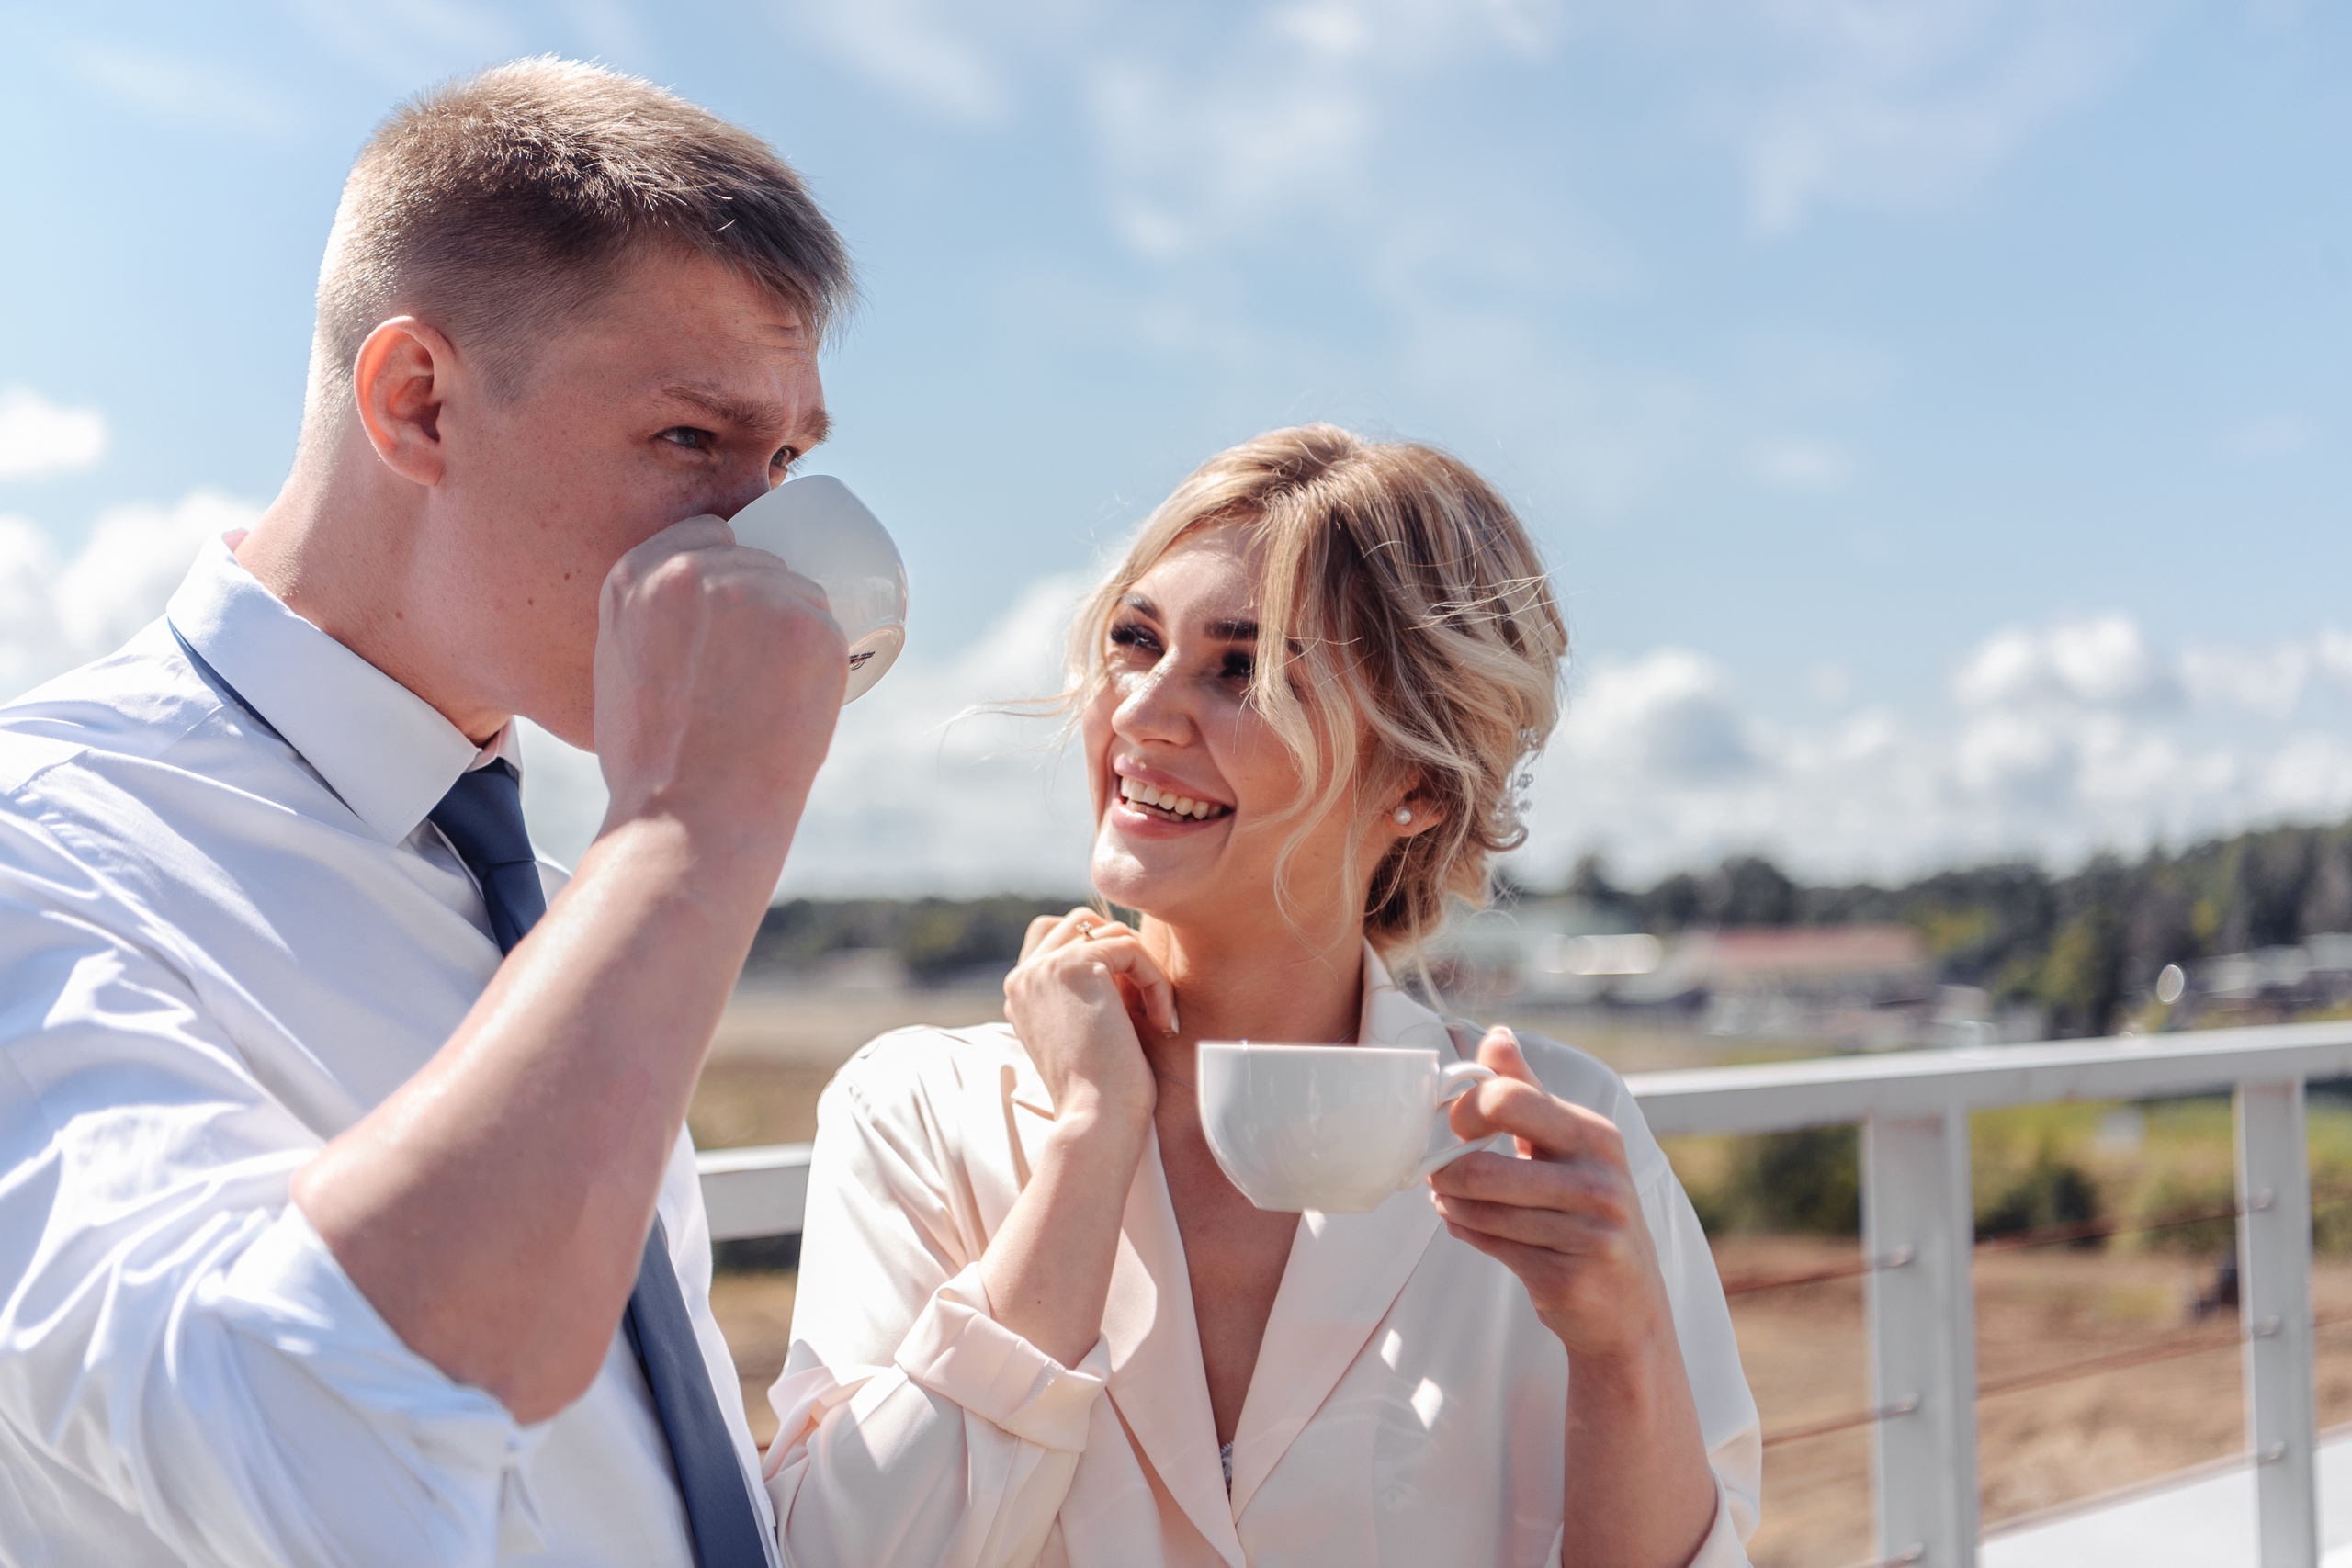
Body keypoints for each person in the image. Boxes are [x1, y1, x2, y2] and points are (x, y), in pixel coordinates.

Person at [0, 61, 854, 1567]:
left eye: (784, 462)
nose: (764, 539)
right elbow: (319, 1453)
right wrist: (692, 828)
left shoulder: (572, 905)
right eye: (690, 442)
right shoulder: (46, 850)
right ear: (419, 402)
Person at [765, 425, 1762, 1567]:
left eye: (1242, 670)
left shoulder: (1548, 1141)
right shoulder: (917, 1110)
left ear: (1419, 781)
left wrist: (1623, 1345)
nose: (1141, 712)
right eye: (1134, 642)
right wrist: (1089, 1134)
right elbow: (834, 1553)